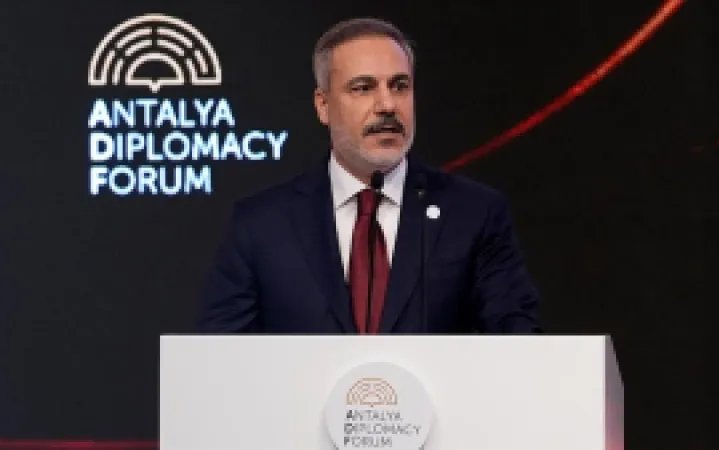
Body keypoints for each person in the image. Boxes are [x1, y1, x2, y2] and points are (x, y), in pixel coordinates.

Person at [198, 18, 541, 334]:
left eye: (400, 86)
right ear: (323, 105)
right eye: (363, 88)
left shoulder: (474, 214)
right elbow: (218, 358)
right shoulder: (261, 225)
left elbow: (519, 344)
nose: (387, 105)